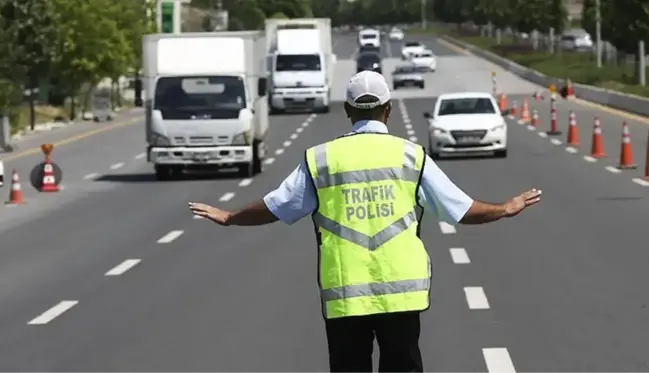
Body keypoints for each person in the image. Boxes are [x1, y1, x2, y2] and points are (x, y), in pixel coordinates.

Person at [188, 70, 542, 373]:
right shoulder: (410, 156)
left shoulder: (322, 159)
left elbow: (278, 206)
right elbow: (460, 209)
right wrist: (505, 208)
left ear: (347, 110)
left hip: (345, 294)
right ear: (388, 110)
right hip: (402, 295)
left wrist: (230, 217)